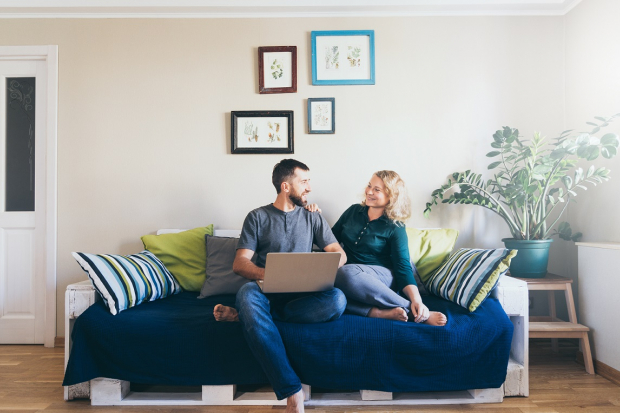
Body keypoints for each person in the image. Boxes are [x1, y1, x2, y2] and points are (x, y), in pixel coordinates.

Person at [213, 159, 347, 413]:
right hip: (265, 290)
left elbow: (339, 253)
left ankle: (247, 318)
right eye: (304, 182)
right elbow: (240, 263)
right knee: (246, 293)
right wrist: (271, 273)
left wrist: (326, 264)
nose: (309, 188)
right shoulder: (257, 217)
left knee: (338, 299)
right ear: (286, 186)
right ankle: (292, 390)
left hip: (303, 296)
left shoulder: (313, 216)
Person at [328, 170, 447, 326]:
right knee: (332, 293)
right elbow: (330, 240)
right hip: (350, 279)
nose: (369, 191)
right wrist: (312, 215)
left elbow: (403, 267)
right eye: (369, 186)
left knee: (345, 273)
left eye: (376, 190)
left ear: (392, 196)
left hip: (381, 276)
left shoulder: (395, 227)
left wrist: (416, 300)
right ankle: (377, 313)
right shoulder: (353, 211)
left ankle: (414, 313)